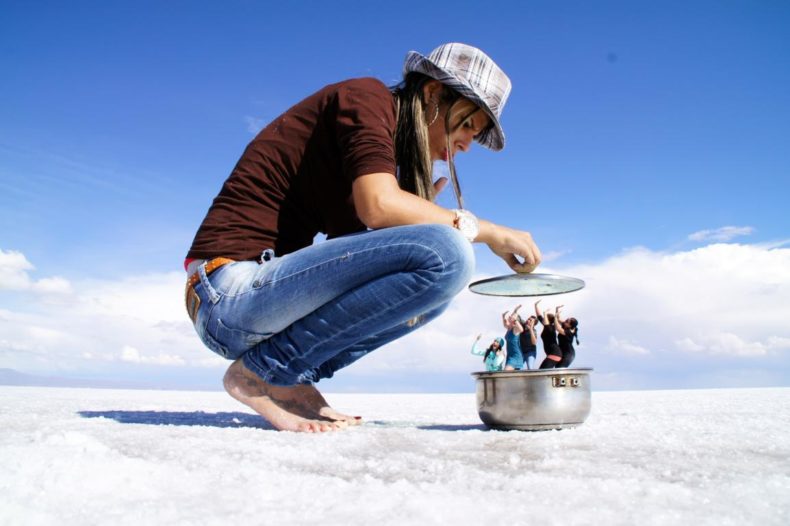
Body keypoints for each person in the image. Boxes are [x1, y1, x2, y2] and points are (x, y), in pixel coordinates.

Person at [183, 43, 542, 432]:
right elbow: (378, 205)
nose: (467, 144)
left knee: (433, 293)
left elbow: (355, 261)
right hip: (225, 290)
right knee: (448, 253)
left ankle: (287, 377)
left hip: (257, 309)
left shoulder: (373, 159)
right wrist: (485, 231)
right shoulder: (367, 97)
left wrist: (418, 219)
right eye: (468, 124)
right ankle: (262, 375)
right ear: (433, 94)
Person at [535, 300, 562, 369]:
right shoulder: (547, 326)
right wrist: (536, 305)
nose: (543, 319)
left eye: (545, 318)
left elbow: (546, 322)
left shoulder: (550, 328)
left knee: (541, 371)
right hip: (553, 354)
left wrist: (545, 313)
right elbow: (539, 316)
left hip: (555, 353)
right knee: (543, 372)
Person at [501, 305, 525, 370]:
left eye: (511, 317)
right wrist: (503, 316)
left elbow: (521, 329)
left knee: (506, 372)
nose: (509, 317)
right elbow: (505, 324)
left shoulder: (515, 329)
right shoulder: (509, 328)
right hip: (510, 355)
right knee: (513, 378)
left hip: (516, 356)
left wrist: (515, 319)